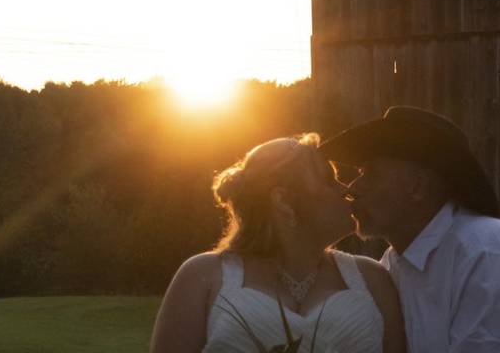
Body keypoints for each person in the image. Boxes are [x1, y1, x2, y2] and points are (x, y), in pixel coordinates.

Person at [320, 106, 500, 353]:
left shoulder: (483, 248)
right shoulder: (392, 263)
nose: (353, 188)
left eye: (371, 175)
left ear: (417, 187)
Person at [150, 134, 406, 353]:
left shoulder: (373, 279)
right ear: (283, 201)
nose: (345, 190)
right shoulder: (201, 277)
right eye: (329, 180)